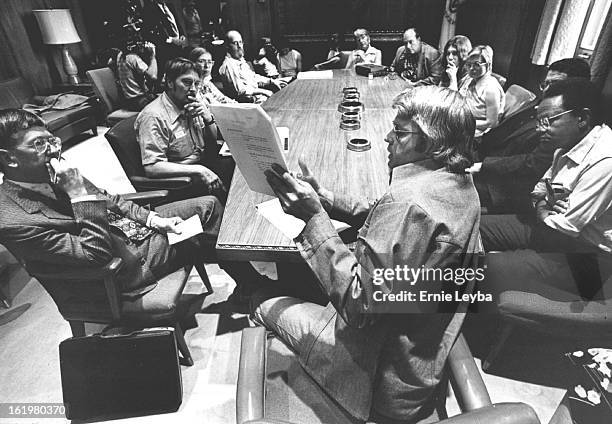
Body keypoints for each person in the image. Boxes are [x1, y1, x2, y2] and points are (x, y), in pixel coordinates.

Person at [255, 86, 481, 423]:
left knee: (262, 300)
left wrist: (314, 218)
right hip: (420, 356)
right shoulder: (457, 184)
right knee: (316, 271)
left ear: (431, 142)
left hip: (377, 379)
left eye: (400, 131)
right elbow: (381, 213)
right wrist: (325, 198)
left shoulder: (408, 204)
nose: (389, 137)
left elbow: (359, 305)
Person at [0, 109, 266, 307]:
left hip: (135, 233)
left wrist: (153, 220)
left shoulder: (52, 171)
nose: (51, 150)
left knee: (206, 207)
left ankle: (248, 284)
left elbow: (110, 199)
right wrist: (78, 194)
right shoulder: (14, 221)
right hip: (122, 266)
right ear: (8, 159)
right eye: (38, 144)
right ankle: (254, 287)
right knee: (202, 233)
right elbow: (95, 256)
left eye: (52, 140)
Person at [480, 79, 610, 301]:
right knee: (475, 225)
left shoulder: (605, 159)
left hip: (589, 254)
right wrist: (543, 206)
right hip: (552, 230)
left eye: (549, 121)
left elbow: (565, 225)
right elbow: (539, 189)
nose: (541, 130)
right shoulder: (568, 143)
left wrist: (543, 208)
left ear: (582, 118)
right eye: (540, 121)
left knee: (493, 267)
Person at [467, 59, 591, 213]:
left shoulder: (565, 125)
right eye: (545, 84)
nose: (546, 90)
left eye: (555, 85)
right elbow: (502, 130)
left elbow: (533, 164)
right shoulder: (537, 102)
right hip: (484, 158)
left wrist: (483, 165)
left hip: (501, 186)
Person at [135, 58, 233, 200]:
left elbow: (211, 142)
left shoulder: (190, 103)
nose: (193, 89)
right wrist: (199, 170)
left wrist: (208, 118)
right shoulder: (153, 116)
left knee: (244, 168)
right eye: (187, 82)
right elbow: (152, 167)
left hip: (203, 162)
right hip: (182, 180)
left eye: (196, 84)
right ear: (169, 83)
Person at [218, 30, 283, 103]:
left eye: (240, 42)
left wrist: (271, 81)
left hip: (256, 98)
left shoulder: (240, 61)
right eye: (235, 43)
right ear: (227, 46)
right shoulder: (228, 65)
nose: (239, 46)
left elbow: (253, 77)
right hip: (245, 104)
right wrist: (264, 91)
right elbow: (241, 92)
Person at [458, 45, 505, 138]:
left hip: (475, 134)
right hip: (461, 121)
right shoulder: (470, 79)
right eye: (468, 64)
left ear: (488, 64)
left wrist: (465, 124)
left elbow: (492, 123)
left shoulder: (491, 89)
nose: (471, 68)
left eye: (477, 64)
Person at [142, 0, 187, 80]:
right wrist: (172, 40)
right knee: (166, 77)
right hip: (164, 50)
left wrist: (182, 34)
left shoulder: (170, 5)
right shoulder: (149, 8)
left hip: (178, 46)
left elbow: (176, 22)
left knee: (179, 73)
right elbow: (150, 33)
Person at [116, 41, 158, 111]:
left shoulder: (120, 55)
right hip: (139, 101)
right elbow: (153, 76)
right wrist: (152, 56)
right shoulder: (132, 57)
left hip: (129, 101)